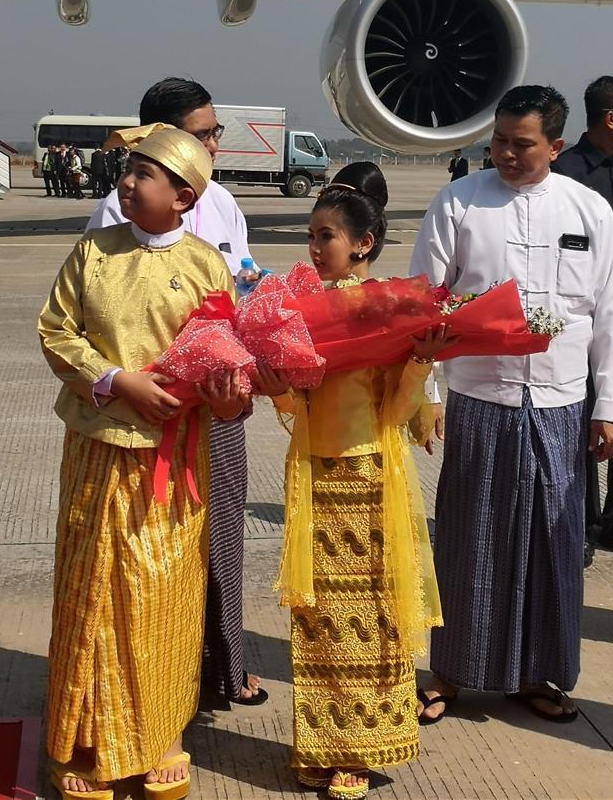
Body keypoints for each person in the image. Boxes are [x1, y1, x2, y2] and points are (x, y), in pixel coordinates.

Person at [39, 126, 249, 800]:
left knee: (163, 593)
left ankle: (161, 731)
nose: (127, 182)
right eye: (128, 170)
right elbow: (55, 329)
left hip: (172, 459)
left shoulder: (206, 266)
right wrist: (115, 379)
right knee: (92, 590)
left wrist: (228, 395)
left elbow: (228, 357)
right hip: (99, 449)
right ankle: (88, 736)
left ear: (183, 196)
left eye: (144, 174)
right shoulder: (92, 251)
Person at [410, 85, 613, 725]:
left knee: (552, 541)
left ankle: (540, 673)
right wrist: (424, 393)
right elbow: (424, 299)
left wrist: (609, 404)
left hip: (561, 402)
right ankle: (451, 671)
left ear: (555, 146)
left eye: (522, 143)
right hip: (481, 394)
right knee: (467, 536)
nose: (506, 153)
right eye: (499, 140)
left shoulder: (586, 209)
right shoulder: (459, 202)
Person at [253, 163, 454, 799]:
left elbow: (395, 413)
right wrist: (275, 373)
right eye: (310, 237)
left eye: (325, 236)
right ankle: (323, 742)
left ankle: (361, 751)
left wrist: (420, 362)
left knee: (371, 616)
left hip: (370, 475)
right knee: (319, 617)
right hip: (315, 474)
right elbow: (292, 405)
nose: (314, 249)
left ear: (362, 244)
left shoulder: (391, 308)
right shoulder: (298, 308)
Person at [86, 77, 265, 707]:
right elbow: (103, 321)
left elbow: (240, 293)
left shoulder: (223, 205)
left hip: (215, 407)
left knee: (221, 534)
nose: (214, 144)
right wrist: (131, 383)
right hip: (149, 416)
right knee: (153, 551)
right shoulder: (117, 216)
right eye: (203, 133)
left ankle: (227, 664)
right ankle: (164, 674)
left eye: (214, 133)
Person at [552, 75, 613, 561]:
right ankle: (579, 520)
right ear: (612, 119)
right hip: (582, 316)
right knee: (581, 419)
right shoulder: (567, 175)